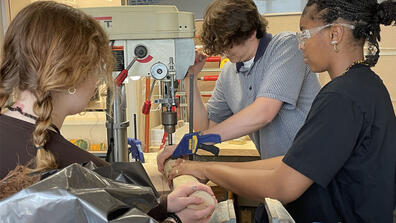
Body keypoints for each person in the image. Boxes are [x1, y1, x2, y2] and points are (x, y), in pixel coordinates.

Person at [167, 0, 396, 222]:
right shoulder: (360, 86)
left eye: (305, 34)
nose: (301, 44)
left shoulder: (341, 97)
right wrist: (203, 167)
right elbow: (290, 162)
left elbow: (282, 184)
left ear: (335, 34)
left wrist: (205, 167)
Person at [0, 2, 216, 223]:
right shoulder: (74, 171)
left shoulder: (72, 170)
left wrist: (163, 207)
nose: (98, 79)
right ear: (72, 74)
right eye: (97, 66)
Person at [157, 0, 321, 172]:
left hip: (315, 171)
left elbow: (263, 112)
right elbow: (205, 128)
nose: (224, 51)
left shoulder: (285, 47)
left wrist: (195, 142)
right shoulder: (229, 73)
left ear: (250, 32)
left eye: (229, 43)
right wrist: (190, 78)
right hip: (279, 174)